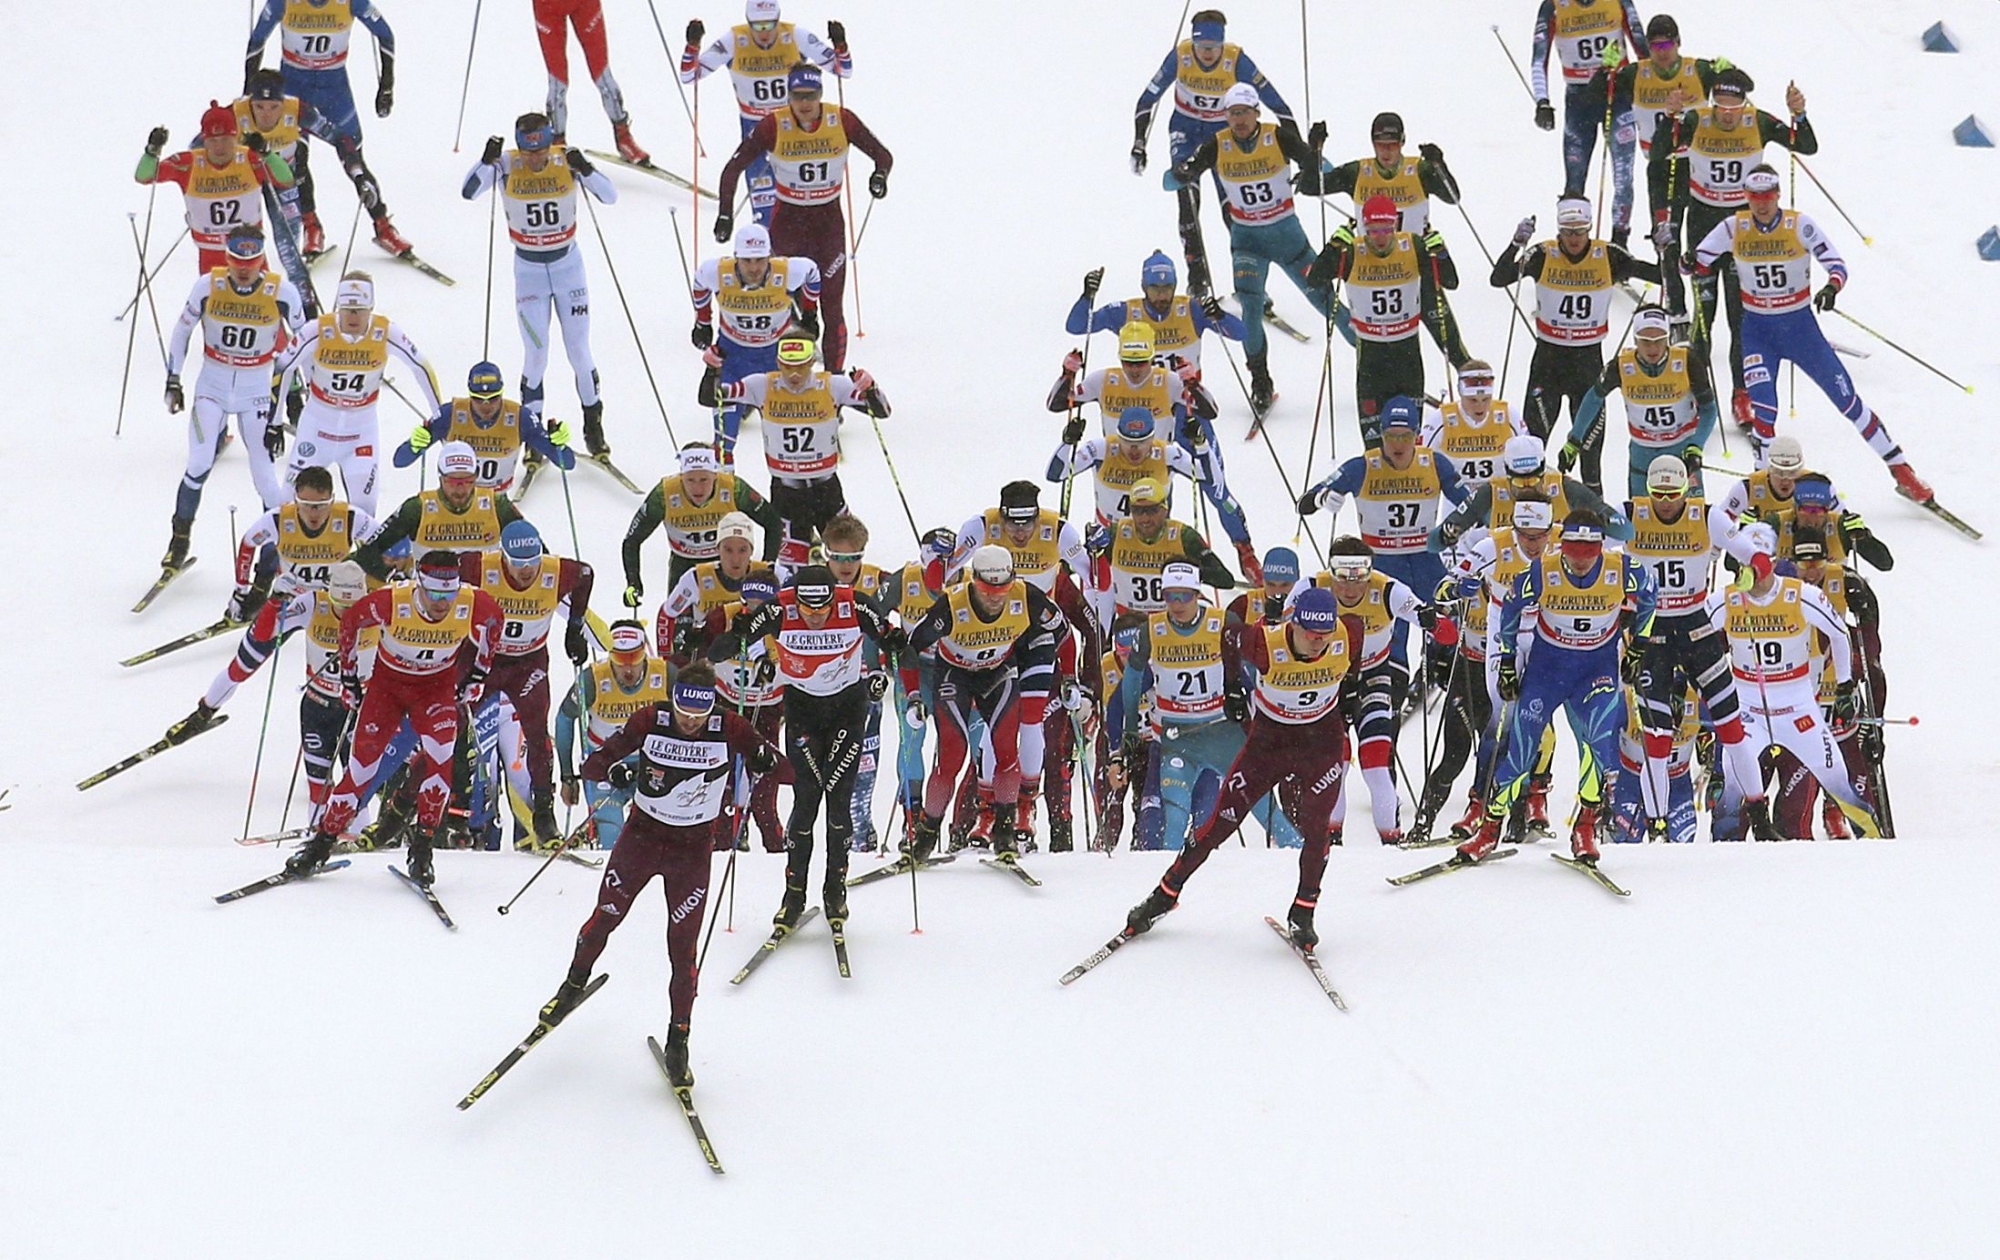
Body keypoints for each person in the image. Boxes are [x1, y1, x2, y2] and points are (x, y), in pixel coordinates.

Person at [539, 662, 780, 1090]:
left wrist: (763, 759)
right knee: (605, 917)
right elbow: (596, 764)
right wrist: (621, 770)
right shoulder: (650, 719)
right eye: (683, 709)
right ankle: (572, 984)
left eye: (699, 712)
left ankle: (679, 1039)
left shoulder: (730, 725)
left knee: (683, 950)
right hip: (642, 840)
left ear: (712, 706)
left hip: (691, 852)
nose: (690, 721)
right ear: (673, 700)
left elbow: (785, 772)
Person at [1124, 585, 1361, 947]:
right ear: (1292, 625)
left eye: (1324, 636)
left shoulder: (1348, 633)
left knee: (1317, 828)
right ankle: (1165, 895)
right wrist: (1232, 686)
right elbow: (1229, 635)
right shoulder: (1264, 643)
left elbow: (1356, 635)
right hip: (1270, 744)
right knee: (1220, 823)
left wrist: (1353, 686)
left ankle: (1303, 912)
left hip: (1320, 742)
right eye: (1310, 635)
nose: (1318, 643)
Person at [1691, 165, 1933, 502]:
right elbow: (1697, 260)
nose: (1761, 204)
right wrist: (1691, 263)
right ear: (1746, 198)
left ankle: (1901, 469)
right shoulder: (1734, 226)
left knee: (1847, 401)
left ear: (1778, 195)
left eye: (1768, 197)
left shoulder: (1798, 224)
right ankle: (1763, 491)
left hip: (1801, 330)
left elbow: (1836, 263)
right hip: (1759, 333)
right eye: (1754, 197)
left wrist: (1831, 287)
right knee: (1764, 413)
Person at [286, 551, 506, 884]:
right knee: (360, 770)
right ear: (420, 584)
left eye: (449, 593)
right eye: (434, 593)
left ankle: (421, 850)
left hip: (435, 691)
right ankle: (320, 844)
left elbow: (495, 621)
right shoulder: (393, 600)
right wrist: (348, 679)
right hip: (387, 691)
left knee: (441, 762)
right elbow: (351, 622)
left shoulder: (473, 602)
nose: (441, 603)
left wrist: (478, 675)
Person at [1457, 507, 1655, 864]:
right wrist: (1505, 661)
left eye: (1588, 555)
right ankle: (1489, 830)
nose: (1580, 564)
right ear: (1562, 547)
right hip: (1547, 670)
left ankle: (1585, 827)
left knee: (1598, 745)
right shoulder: (1540, 571)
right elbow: (1510, 610)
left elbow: (1651, 596)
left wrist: (1639, 643)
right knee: (1519, 753)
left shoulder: (1622, 568)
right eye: (1573, 555)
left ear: (1599, 549)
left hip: (1596, 671)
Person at [721, 566, 904, 929]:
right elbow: (718, 650)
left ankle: (835, 890)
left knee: (839, 806)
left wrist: (895, 643)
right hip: (803, 713)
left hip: (848, 714)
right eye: (808, 609)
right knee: (805, 804)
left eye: (823, 609)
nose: (816, 617)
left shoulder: (854, 605)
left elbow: (892, 638)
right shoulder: (779, 608)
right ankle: (794, 895)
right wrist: (739, 632)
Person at [163, 552, 372, 829]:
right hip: (317, 706)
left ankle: (359, 842)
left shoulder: (377, 610)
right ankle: (316, 837)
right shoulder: (313, 604)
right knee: (318, 784)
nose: (347, 614)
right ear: (329, 594)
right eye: (339, 605)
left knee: (355, 784)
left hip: (358, 711)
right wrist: (275, 601)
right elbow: (264, 635)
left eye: (353, 606)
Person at [1622, 454, 1765, 837]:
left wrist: (1750, 570)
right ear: (1645, 490)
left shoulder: (1706, 517)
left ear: (1687, 490)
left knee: (1731, 726)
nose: (1666, 501)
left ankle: (1759, 811)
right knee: (1656, 736)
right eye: (1657, 493)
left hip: (1696, 627)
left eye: (1674, 493)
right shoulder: (1629, 514)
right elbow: (1580, 542)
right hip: (1650, 633)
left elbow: (1757, 558)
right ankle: (1656, 822)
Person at [1708, 524, 1880, 840]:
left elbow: (1839, 634)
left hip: (1798, 708)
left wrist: (1844, 686)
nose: (1752, 573)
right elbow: (1694, 638)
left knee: (1839, 782)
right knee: (1731, 790)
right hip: (1748, 711)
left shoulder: (1801, 595)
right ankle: (1721, 857)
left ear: (1772, 561)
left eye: (1758, 563)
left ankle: (1875, 843)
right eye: (1744, 564)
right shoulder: (1725, 600)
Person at [715, 62, 890, 372]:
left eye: (811, 96)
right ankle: (779, 377)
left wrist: (879, 177)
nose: (805, 104)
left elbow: (883, 155)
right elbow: (732, 169)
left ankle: (832, 385)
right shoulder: (774, 125)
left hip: (828, 226)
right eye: (798, 96)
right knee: (784, 307)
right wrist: (725, 215)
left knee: (832, 308)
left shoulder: (842, 120)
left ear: (820, 95)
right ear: (788, 97)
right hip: (788, 227)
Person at [1650, 68, 1817, 391]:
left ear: (1744, 104)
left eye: (1733, 109)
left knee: (1739, 318)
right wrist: (1669, 117)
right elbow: (1658, 152)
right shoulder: (1697, 120)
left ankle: (1742, 393)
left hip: (1744, 230)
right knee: (1704, 315)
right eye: (1720, 107)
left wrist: (1800, 114)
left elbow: (1806, 145)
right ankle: (1698, 391)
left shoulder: (1759, 121)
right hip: (1703, 224)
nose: (1726, 115)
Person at [462, 114, 619, 454]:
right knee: (536, 354)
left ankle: (593, 427)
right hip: (529, 270)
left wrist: (586, 168)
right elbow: (468, 191)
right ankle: (533, 437)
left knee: (579, 350)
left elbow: (610, 196)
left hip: (568, 268)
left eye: (542, 152)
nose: (535, 160)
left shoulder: (566, 160)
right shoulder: (506, 165)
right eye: (529, 153)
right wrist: (484, 159)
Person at [1170, 85, 1330, 416]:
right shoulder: (1218, 144)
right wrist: (1182, 171)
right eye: (1232, 114)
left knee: (1325, 300)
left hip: (1287, 235)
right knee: (1251, 310)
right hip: (1247, 242)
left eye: (1244, 112)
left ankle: (1371, 359)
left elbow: (1318, 171)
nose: (1239, 120)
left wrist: (1313, 151)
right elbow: (1184, 173)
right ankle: (1261, 382)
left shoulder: (1277, 137)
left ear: (1256, 112)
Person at [900, 548, 1065, 868]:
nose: (995, 599)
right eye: (988, 591)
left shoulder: (1026, 596)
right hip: (954, 676)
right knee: (952, 756)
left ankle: (1004, 831)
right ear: (974, 581)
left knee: (1006, 751)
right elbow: (909, 649)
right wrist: (913, 697)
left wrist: (1054, 668)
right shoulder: (951, 604)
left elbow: (1061, 632)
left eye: (1001, 591)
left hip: (998, 673)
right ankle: (925, 835)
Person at [1489, 193, 1662, 492]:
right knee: (1534, 448)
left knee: (1590, 457)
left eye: (1580, 232)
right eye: (1568, 232)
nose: (1574, 239)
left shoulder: (1608, 255)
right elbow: (1499, 277)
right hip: (1548, 362)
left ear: (1589, 229)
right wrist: (1516, 244)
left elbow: (1660, 276)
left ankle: (1594, 519)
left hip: (1588, 365)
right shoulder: (1543, 254)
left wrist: (1666, 249)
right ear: (1559, 231)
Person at [159, 226, 308, 570]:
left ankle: (275, 554)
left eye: (252, 261)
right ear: (227, 257)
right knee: (197, 464)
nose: (244, 269)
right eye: (238, 261)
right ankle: (178, 541)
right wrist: (173, 378)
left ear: (261, 259)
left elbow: (304, 343)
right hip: (212, 384)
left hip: (256, 390)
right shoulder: (208, 285)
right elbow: (182, 329)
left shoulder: (281, 292)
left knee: (266, 477)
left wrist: (296, 393)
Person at [1411, 497, 1557, 844]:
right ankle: (1441, 817)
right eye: (1526, 536)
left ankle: (1522, 812)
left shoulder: (1561, 549)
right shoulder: (1491, 547)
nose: (1533, 545)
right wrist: (1460, 588)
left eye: (1540, 536)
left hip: (1536, 647)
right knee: (1477, 737)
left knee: (1531, 732)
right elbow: (1443, 589)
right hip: (1488, 649)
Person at [1298, 396, 1468, 672]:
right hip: (1383, 565)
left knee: (1449, 622)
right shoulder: (1363, 466)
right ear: (1381, 435)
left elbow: (1471, 504)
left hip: (1426, 559)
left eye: (1405, 436)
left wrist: (1454, 527)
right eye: (1390, 436)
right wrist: (1322, 499)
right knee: (1391, 635)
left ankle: (1445, 667)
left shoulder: (1435, 463)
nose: (1398, 444)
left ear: (1417, 435)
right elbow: (1304, 503)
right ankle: (1393, 682)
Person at [697, 332, 889, 570]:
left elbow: (882, 411)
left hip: (826, 490)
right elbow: (711, 398)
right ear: (778, 363)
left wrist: (871, 389)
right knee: (790, 570)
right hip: (788, 494)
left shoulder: (832, 385)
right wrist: (711, 370)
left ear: (812, 363)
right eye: (788, 367)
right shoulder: (762, 385)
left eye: (801, 366)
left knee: (846, 562)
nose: (795, 375)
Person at [245, 0, 413, 256]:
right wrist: (250, 92)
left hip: (334, 88)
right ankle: (311, 226)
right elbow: (257, 39)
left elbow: (385, 34)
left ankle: (383, 225)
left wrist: (387, 85)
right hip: (293, 87)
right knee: (297, 160)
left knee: (352, 156)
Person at [464, 521, 594, 845]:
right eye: (518, 564)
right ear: (502, 556)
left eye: (532, 562)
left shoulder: (556, 571)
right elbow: (442, 580)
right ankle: (452, 816)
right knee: (454, 729)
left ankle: (544, 814)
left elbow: (586, 575)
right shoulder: (480, 565)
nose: (526, 571)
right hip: (485, 663)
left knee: (537, 733)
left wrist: (574, 626)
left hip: (528, 664)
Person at [272, 271, 441, 516]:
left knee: (365, 510)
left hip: (360, 434)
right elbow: (283, 366)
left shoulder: (385, 332)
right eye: (347, 310)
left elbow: (421, 367)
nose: (353, 317)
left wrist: (440, 416)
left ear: (370, 308)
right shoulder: (317, 330)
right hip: (317, 429)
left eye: (360, 310)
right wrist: (274, 422)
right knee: (288, 506)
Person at [1304, 539, 1435, 843]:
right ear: (1330, 571)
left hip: (1374, 677)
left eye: (1359, 577)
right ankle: (1330, 837)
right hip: (1329, 682)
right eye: (1342, 577)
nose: (1350, 588)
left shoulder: (1388, 589)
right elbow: (1278, 624)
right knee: (1335, 764)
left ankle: (1391, 838)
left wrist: (1434, 621)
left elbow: (1434, 622)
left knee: (1376, 764)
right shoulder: (1312, 587)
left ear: (1370, 573)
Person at [1307, 196, 1468, 442]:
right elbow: (1314, 280)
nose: (1380, 237)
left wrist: (1441, 253)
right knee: (1373, 441)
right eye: (1373, 230)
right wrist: (1332, 248)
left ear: (1395, 226)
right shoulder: (1352, 251)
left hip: (1407, 354)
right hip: (1372, 357)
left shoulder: (1412, 245)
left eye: (1386, 229)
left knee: (1410, 439)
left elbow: (1451, 282)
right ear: (1364, 227)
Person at [682, 2, 853, 225]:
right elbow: (689, 76)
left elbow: (843, 70)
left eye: (769, 24)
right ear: (748, 21)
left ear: (778, 19)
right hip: (756, 129)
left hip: (792, 127)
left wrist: (840, 45)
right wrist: (692, 46)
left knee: (799, 203)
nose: (764, 33)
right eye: (757, 25)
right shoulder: (734, 39)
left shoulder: (795, 36)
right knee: (765, 210)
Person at [1111, 563, 1238, 851]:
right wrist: (1124, 739)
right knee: (1156, 827)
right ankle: (1151, 880)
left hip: (1211, 740)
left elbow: (1249, 674)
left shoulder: (1220, 623)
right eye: (1170, 596)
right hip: (1166, 744)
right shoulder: (1154, 632)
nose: (1177, 604)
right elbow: (1121, 699)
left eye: (1185, 596)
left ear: (1197, 594)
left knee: (1205, 822)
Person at [1131, 8, 1295, 209]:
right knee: (1187, 195)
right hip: (1185, 128)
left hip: (1221, 133)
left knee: (1232, 204)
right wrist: (1139, 142)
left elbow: (1276, 103)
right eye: (1200, 46)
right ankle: (1192, 241)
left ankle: (1241, 239)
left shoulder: (1236, 61)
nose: (1206, 52)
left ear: (1222, 44)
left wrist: (1298, 147)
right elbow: (1147, 99)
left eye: (1213, 46)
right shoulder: (1181, 56)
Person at [690, 222, 822, 461]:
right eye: (747, 261)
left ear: (769, 257)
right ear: (736, 258)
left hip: (776, 360)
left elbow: (812, 272)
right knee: (723, 444)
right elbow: (699, 283)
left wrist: (811, 313)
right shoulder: (717, 272)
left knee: (786, 438)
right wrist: (702, 322)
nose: (754, 268)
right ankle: (723, 491)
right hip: (733, 358)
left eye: (760, 260)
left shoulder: (787, 271)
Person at [1590, 15, 1736, 226]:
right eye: (1655, 46)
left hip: (1697, 163)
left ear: (1678, 43)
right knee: (1665, 236)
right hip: (1660, 164)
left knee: (1701, 231)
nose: (1662, 51)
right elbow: (1594, 97)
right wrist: (1605, 68)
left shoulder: (1698, 69)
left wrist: (1730, 72)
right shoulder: (1636, 73)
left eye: (1667, 44)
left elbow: (1742, 89)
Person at [1563, 305, 1719, 497]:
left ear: (1668, 337)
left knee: (1691, 517)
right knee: (1642, 518)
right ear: (1635, 338)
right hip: (1643, 453)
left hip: (1681, 451)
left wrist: (1696, 446)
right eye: (1645, 341)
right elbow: (1594, 398)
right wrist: (1574, 440)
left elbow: (1709, 408)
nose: (1652, 348)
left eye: (1659, 340)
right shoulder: (1621, 365)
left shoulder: (1687, 361)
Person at [237, 67, 389, 260]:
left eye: (274, 107)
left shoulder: (298, 110)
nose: (266, 115)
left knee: (298, 168)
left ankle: (311, 227)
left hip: (282, 176)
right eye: (259, 107)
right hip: (247, 179)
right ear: (250, 102)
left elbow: (340, 139)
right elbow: (201, 145)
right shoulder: (235, 113)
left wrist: (359, 176)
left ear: (282, 102)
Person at [1527, 0, 1643, 245]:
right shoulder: (1554, 6)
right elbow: (1539, 58)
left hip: (1617, 94)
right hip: (1579, 100)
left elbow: (1642, 49)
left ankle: (1619, 247)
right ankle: (1571, 243)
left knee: (1623, 177)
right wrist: (1542, 101)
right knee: (1574, 181)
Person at [135, 102, 296, 277]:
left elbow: (286, 179)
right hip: (211, 251)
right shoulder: (188, 163)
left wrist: (267, 153)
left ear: (235, 137)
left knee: (262, 302)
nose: (220, 147)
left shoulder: (249, 158)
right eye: (213, 141)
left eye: (226, 139)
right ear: (204, 140)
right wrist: (152, 151)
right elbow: (144, 176)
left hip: (250, 249)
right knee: (214, 301)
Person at [556, 621, 674, 849]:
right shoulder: (593, 679)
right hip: (605, 764)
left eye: (634, 657)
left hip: (651, 763)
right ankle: (600, 832)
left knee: (659, 839)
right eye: (619, 659)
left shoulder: (665, 673)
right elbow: (564, 718)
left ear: (644, 652)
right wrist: (567, 776)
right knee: (614, 840)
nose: (628, 668)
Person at [622, 443, 782, 604]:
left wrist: (767, 567)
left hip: (728, 562)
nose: (698, 488)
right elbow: (632, 540)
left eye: (704, 479)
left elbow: (773, 522)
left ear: (715, 475)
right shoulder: (664, 494)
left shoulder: (734, 488)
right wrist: (633, 583)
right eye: (690, 480)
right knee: (678, 620)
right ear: (681, 476)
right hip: (684, 564)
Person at [351, 441, 528, 578]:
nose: (460, 490)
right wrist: (392, 577)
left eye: (467, 481)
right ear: (440, 477)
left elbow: (533, 547)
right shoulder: (417, 508)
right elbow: (369, 552)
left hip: (482, 600)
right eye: (452, 481)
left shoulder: (496, 504)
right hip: (434, 602)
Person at [395, 361, 574, 493]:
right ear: (469, 395)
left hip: (496, 500)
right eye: (478, 399)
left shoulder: (520, 418)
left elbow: (567, 463)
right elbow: (400, 461)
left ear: (502, 393)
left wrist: (559, 443)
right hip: (457, 500)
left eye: (494, 398)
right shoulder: (451, 414)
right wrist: (415, 444)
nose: (486, 406)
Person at [1431, 432, 1632, 549]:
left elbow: (1625, 530)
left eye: (1534, 480)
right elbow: (1434, 542)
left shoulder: (1565, 488)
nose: (1528, 487)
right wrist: (1447, 534)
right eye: (1519, 483)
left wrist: (1604, 520)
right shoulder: (1489, 493)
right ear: (1508, 475)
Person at [1066, 251, 1246, 370]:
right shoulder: (1125, 312)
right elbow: (1076, 326)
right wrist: (1087, 296)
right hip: (1146, 401)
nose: (1161, 296)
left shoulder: (1192, 309)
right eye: (1155, 289)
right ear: (1144, 287)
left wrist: (1220, 316)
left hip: (1187, 398)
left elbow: (1241, 334)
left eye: (1167, 289)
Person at [1094, 479, 1239, 626]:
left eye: (1151, 510)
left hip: (1172, 620)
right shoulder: (1116, 533)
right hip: (1131, 621)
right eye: (1137, 511)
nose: (1145, 518)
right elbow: (1083, 566)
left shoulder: (1183, 536)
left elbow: (1225, 580)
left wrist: (1188, 573)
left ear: (1165, 509)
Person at [532, 0, 649, 160]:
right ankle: (558, 145)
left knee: (602, 72)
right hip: (548, 7)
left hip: (584, 3)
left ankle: (624, 138)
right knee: (558, 82)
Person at [1320, 111, 1462, 235]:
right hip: (1370, 260)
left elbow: (1453, 198)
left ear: (1402, 142)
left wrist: (1439, 164)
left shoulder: (1419, 169)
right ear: (1373, 143)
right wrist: (1315, 151)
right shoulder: (1357, 172)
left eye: (1392, 145)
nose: (1386, 151)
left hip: (1413, 258)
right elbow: (1313, 186)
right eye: (1380, 145)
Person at [653, 511, 763, 664]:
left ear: (752, 550)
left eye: (743, 550)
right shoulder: (697, 578)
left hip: (754, 660)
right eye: (728, 549)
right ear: (717, 549)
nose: (735, 559)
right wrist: (665, 659)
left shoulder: (768, 574)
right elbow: (667, 614)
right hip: (711, 663)